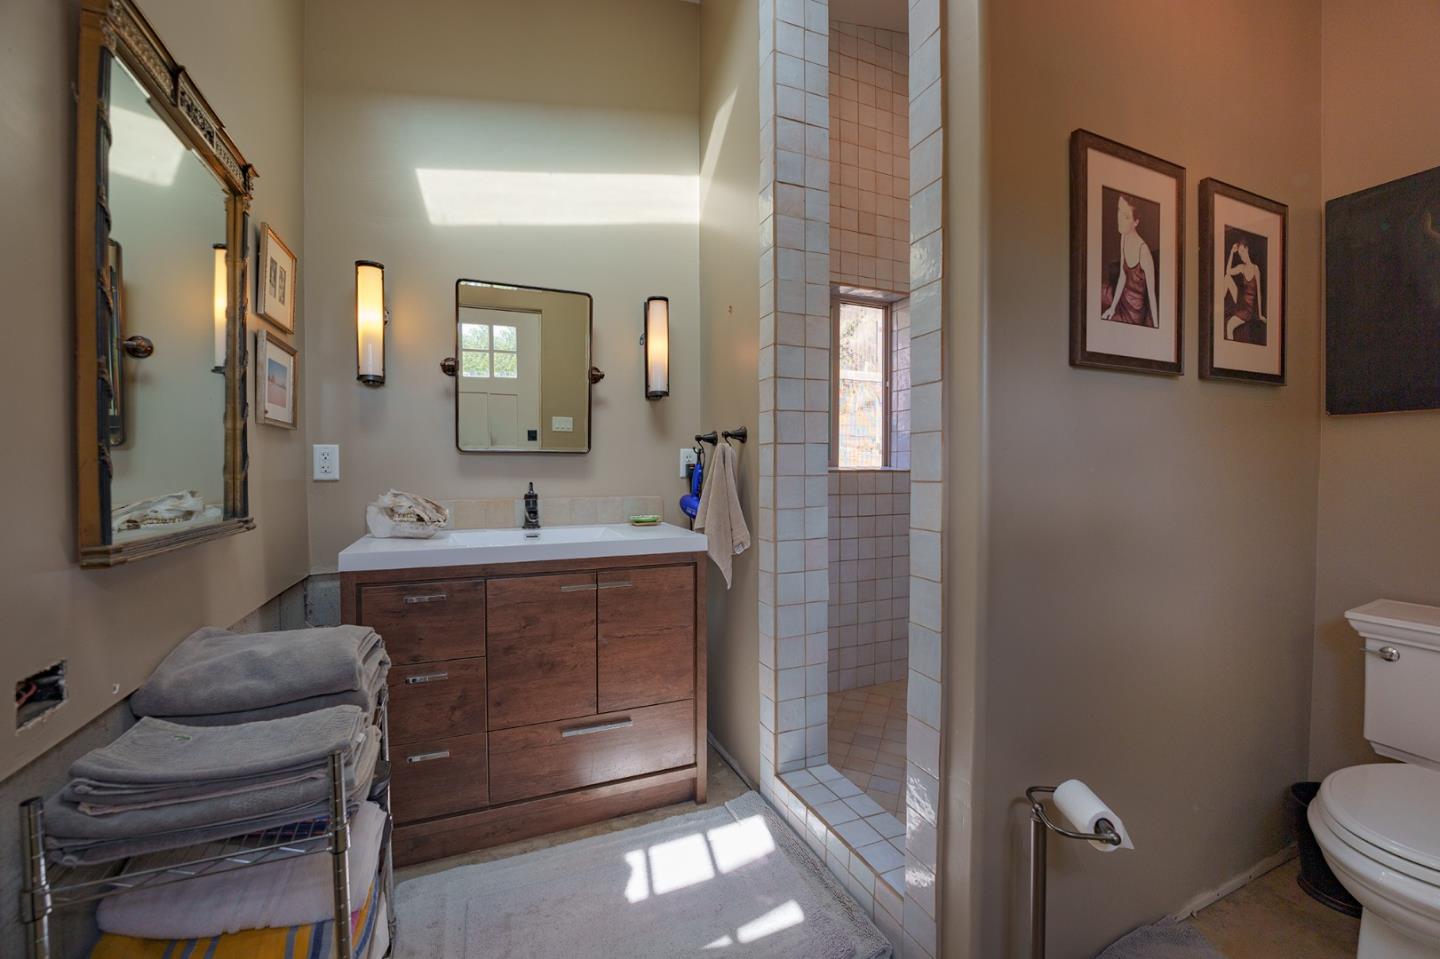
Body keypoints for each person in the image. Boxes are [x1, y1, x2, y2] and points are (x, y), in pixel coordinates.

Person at [1100, 194, 1159, 327]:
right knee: (1096, 292)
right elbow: (1122, 276)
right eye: (1119, 210)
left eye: (1126, 216)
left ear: (1136, 222)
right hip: (1121, 299)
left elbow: (1152, 295)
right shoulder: (1124, 236)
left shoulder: (1143, 251)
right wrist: (1113, 307)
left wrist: (1156, 330)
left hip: (1134, 312)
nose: (1120, 218)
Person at [1224, 240, 1266, 345]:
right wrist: (1231, 252)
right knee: (1227, 277)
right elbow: (1228, 271)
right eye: (1239, 254)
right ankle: (1218, 307)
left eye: (1242, 252)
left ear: (1247, 249)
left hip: (1248, 310)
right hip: (1241, 302)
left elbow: (1259, 293)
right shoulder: (1241, 268)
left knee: (1229, 325)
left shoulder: (1256, 269)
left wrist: (1260, 315)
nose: (1241, 256)